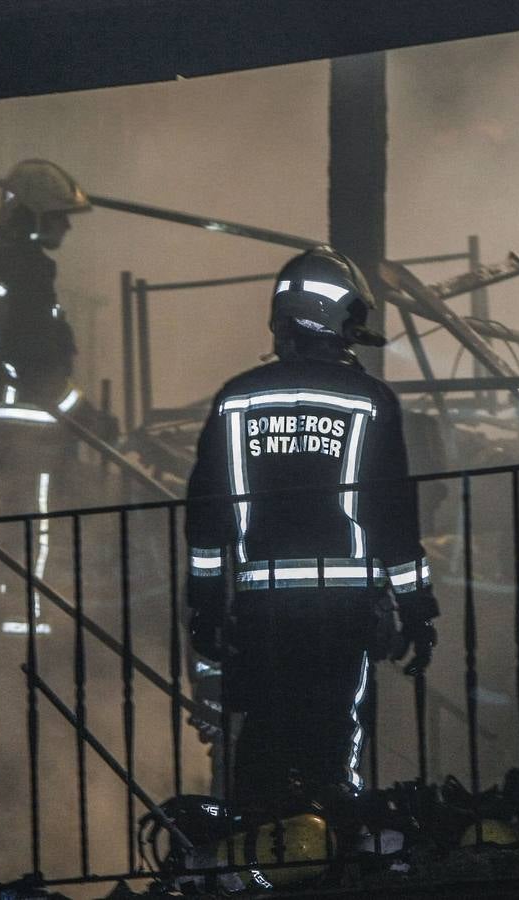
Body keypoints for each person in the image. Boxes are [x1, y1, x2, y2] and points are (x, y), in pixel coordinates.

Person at [184, 246, 438, 815]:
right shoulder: (371, 401)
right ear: (337, 317)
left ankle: (256, 863)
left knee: (264, 743)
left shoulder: (235, 400)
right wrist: (418, 608)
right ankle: (330, 864)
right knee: (333, 751)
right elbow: (393, 517)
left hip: (259, 610)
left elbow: (205, 517)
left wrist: (203, 607)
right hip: (341, 612)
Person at [0, 159, 100, 634]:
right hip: (25, 425)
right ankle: (23, 626)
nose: (67, 226)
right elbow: (38, 363)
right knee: (32, 529)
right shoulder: (27, 273)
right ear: (31, 217)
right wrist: (90, 416)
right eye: (57, 215)